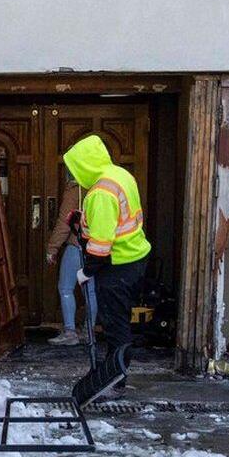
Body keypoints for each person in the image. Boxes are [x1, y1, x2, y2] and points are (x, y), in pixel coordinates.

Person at [63, 134, 151, 382]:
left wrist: (86, 271)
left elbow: (101, 246)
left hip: (118, 265)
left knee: (115, 325)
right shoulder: (120, 175)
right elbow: (115, 220)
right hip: (135, 257)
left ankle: (115, 378)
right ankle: (114, 372)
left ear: (84, 165)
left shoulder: (100, 193)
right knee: (118, 320)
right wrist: (82, 221)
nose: (73, 175)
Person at [45, 174, 97, 346]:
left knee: (66, 288)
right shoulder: (100, 185)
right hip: (97, 247)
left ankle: (70, 332)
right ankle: (89, 332)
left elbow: (64, 222)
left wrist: (52, 248)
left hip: (77, 245)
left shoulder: (75, 189)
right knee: (90, 291)